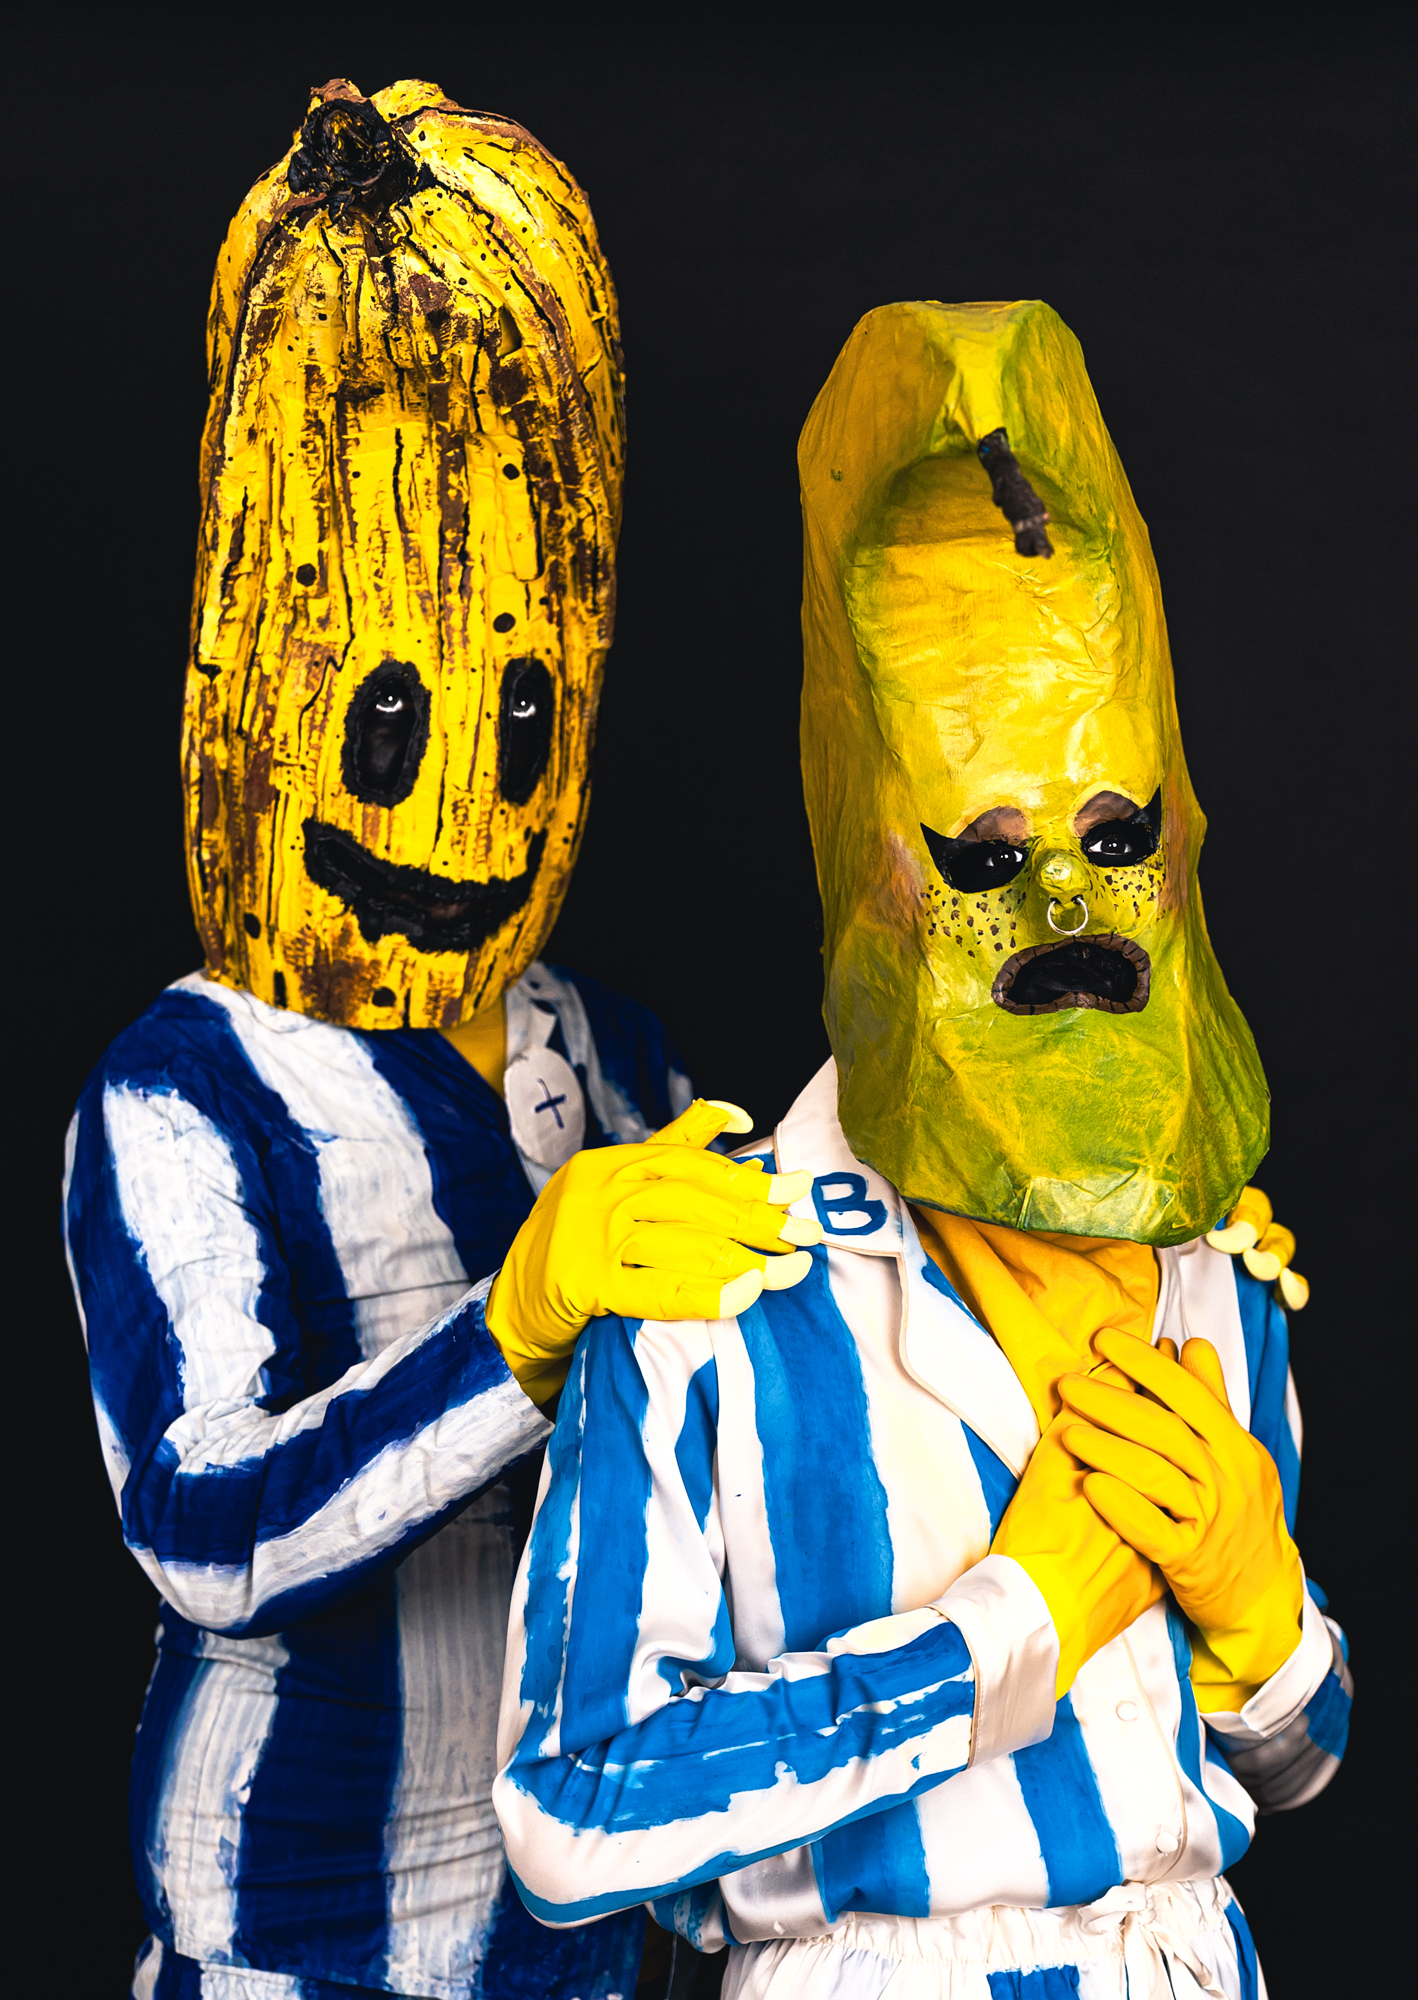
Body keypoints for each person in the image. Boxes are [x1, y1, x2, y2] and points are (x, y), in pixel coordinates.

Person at [494, 301, 1352, 1999]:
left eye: (1112, 836)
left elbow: (1291, 1764)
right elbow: (569, 1812)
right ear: (879, 879)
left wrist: (1269, 1618)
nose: (1064, 909)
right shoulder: (717, 1283)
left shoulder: (1219, 1271)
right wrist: (1009, 1625)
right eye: (986, 854)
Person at [64, 79, 816, 2000]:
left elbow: (796, 1363)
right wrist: (518, 1326)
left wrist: (1104, 1269)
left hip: (586, 1941)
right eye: (388, 726)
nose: (459, 807)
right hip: (292, 1946)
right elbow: (203, 1525)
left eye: (526, 720)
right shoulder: (182, 1088)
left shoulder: (617, 1056)